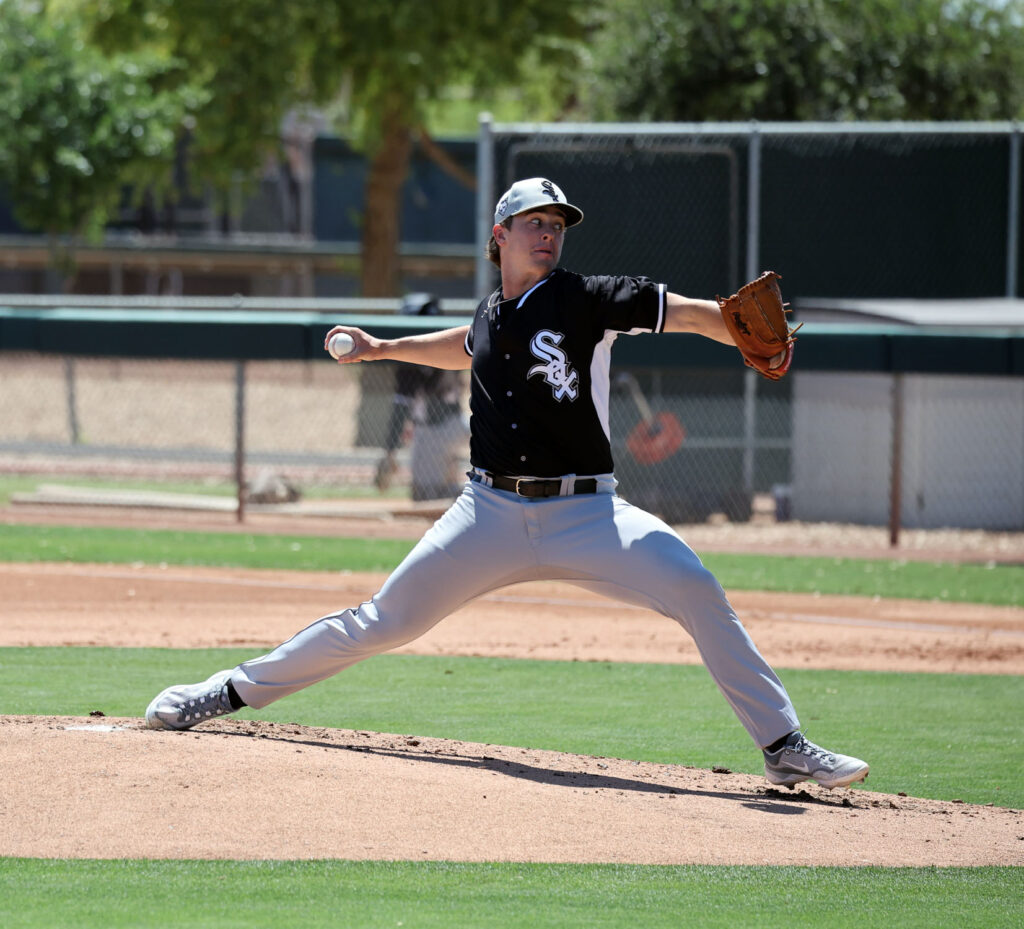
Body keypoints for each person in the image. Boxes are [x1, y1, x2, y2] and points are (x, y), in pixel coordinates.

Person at [146, 177, 869, 791]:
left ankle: (784, 747)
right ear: (501, 235)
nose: (549, 235)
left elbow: (680, 312)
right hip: (486, 512)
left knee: (693, 584)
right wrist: (384, 348)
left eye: (557, 225)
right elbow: (466, 347)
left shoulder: (587, 299)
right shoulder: (491, 313)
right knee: (383, 622)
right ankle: (226, 690)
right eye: (535, 224)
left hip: (589, 513)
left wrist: (738, 330)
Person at [374, 293, 470, 501]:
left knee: (426, 498)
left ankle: (468, 498)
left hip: (433, 431)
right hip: (459, 424)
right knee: (443, 486)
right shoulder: (448, 345)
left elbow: (401, 406)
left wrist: (390, 451)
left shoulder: (412, 357)